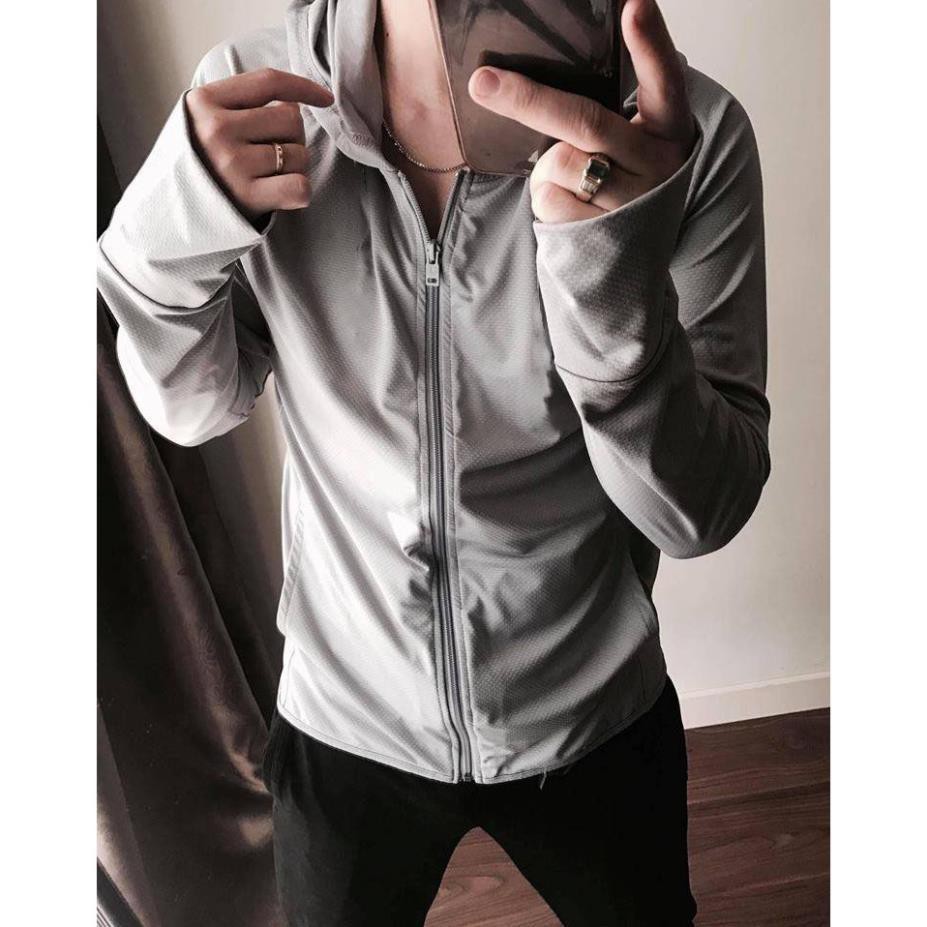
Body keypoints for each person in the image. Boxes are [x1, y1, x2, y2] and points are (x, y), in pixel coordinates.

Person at [97, 0, 770, 923]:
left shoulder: (684, 132)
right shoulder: (259, 100)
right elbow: (192, 406)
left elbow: (699, 512)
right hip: (347, 711)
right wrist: (161, 236)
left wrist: (609, 289)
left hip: (589, 708)